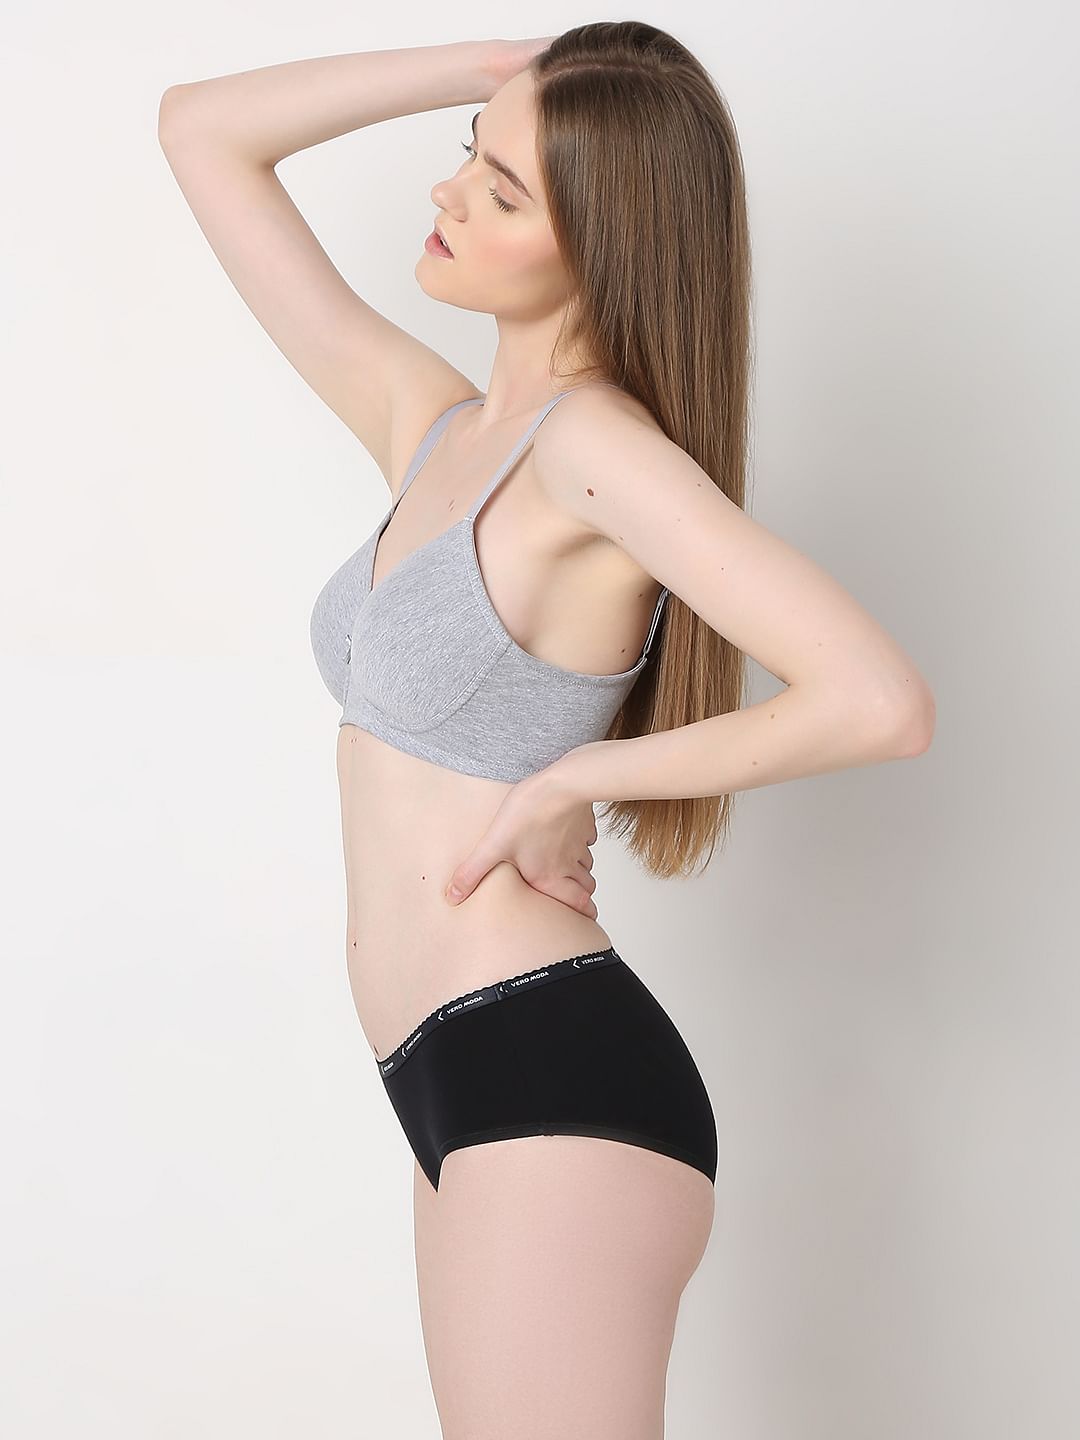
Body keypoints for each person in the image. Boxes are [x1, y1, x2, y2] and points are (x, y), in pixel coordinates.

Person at [158, 22, 935, 1438]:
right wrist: (490, 69)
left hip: (548, 1073)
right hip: (450, 1070)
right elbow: (200, 131)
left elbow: (878, 699)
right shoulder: (435, 423)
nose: (451, 194)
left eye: (505, 190)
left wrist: (584, 771)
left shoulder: (593, 452)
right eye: (471, 159)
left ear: (606, 245)